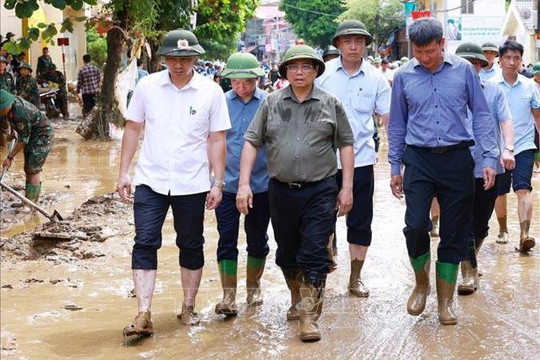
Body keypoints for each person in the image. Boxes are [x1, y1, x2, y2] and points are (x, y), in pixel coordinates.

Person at [236, 44, 354, 342]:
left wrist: (347, 188)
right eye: (293, 67)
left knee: (314, 251)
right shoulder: (271, 103)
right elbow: (252, 142)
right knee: (287, 251)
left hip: (321, 188)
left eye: (306, 66)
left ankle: (308, 316)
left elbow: (346, 145)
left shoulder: (331, 103)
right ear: (285, 72)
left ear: (316, 71)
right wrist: (244, 183)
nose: (299, 72)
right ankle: (297, 296)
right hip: (281, 190)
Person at [117, 29, 230, 337]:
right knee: (145, 241)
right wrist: (123, 172)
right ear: (163, 58)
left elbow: (217, 139)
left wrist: (217, 182)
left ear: (195, 58)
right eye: (173, 58)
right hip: (151, 179)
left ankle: (188, 307)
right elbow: (132, 128)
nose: (179, 64)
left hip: (192, 183)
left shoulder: (211, 91)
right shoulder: (147, 87)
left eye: (185, 58)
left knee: (191, 244)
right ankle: (143, 313)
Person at [388, 18, 498, 325]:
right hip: (419, 159)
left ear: (442, 44)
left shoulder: (464, 70)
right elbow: (396, 123)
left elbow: (482, 115)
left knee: (455, 230)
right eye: (419, 51)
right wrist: (395, 166)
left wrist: (489, 157)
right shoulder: (403, 75)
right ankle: (421, 284)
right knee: (414, 224)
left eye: (430, 51)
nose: (424, 57)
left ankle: (445, 303)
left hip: (457, 158)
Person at [318, 19, 391, 298]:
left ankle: (355, 278)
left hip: (361, 162)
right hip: (324, 162)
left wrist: (396, 159)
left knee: (360, 221)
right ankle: (320, 275)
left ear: (364, 45)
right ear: (338, 44)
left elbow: (387, 119)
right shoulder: (323, 77)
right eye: (347, 40)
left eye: (358, 41)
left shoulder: (376, 78)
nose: (352, 45)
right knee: (321, 219)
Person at [454, 43, 515, 294]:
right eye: (464, 63)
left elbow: (505, 120)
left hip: (488, 165)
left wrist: (508, 148)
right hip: (457, 167)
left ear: (481, 66)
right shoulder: (447, 92)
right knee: (463, 222)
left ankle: (471, 258)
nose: (470, 67)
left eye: (475, 63)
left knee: (480, 224)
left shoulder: (494, 91)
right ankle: (468, 273)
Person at [213, 52, 270, 317]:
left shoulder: (269, 103)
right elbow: (212, 141)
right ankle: (228, 295)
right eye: (235, 81)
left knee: (257, 239)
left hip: (261, 184)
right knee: (226, 238)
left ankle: (253, 287)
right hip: (226, 184)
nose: (241, 86)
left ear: (257, 78)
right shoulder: (220, 103)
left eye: (247, 81)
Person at [492, 40, 540, 252]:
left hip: (524, 145)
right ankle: (503, 229)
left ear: (521, 61)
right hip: (497, 147)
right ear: (500, 60)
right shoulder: (490, 85)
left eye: (516, 58)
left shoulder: (530, 86)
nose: (512, 62)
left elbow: (537, 117)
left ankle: (525, 234)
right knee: (499, 191)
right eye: (507, 58)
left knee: (523, 188)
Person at [0, 89, 54, 204]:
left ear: (6, 105)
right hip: (31, 133)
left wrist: (10, 157)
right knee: (28, 167)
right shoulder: (11, 106)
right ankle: (28, 201)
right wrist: (13, 131)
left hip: (42, 135)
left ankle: (31, 205)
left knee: (33, 169)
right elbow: (13, 121)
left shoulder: (20, 113)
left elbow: (23, 140)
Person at [0, 55, 16, 147]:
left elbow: (13, 89)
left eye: (3, 63)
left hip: (8, 103)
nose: (1, 65)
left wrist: (13, 97)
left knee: (8, 123)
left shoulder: (9, 75)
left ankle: (4, 147)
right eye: (0, 63)